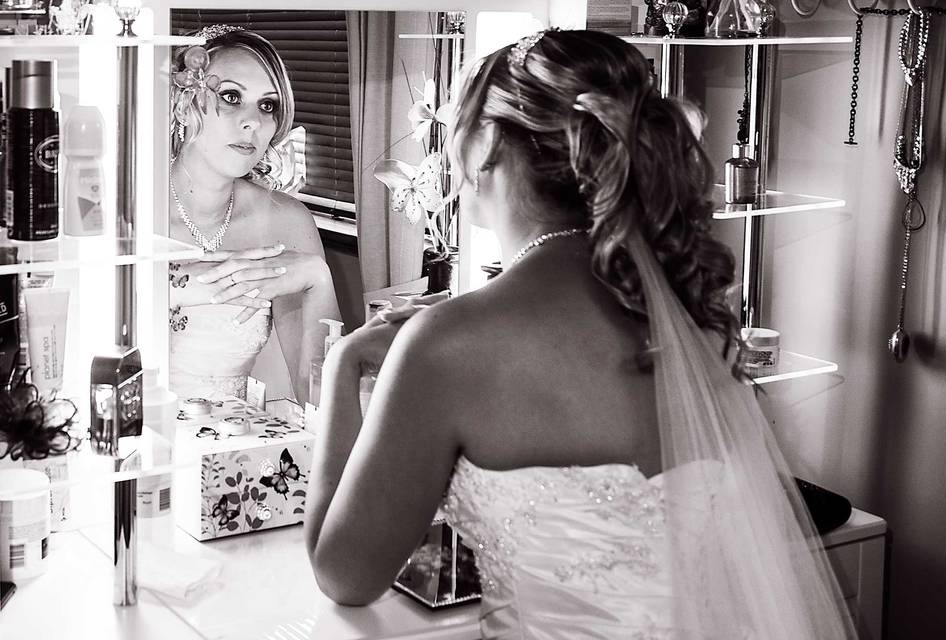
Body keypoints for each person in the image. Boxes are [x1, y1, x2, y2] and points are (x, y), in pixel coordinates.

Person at [304, 29, 856, 639]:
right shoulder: (688, 315)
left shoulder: (448, 344)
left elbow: (344, 576)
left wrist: (346, 362)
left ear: (486, 143)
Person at [167, 25, 340, 403]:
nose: (254, 123)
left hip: (232, 453)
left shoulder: (287, 222)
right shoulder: (128, 209)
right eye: (231, 96)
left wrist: (319, 278)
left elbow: (322, 403)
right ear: (183, 105)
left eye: (267, 105)